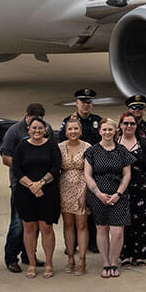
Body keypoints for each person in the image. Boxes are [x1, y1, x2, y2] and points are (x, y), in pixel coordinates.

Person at [10, 117, 61, 277]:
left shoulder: (52, 146)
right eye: (34, 128)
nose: (37, 131)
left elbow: (56, 167)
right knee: (29, 228)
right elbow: (17, 169)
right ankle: (31, 263)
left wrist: (41, 183)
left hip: (48, 192)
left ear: (45, 130)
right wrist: (32, 186)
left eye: (40, 128)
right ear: (29, 130)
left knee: (46, 228)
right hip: (26, 193)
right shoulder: (21, 147)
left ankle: (49, 263)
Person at [0, 103, 46, 273]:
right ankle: (11, 257)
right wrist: (24, 167)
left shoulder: (44, 129)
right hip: (20, 185)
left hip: (40, 185)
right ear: (26, 116)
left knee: (36, 223)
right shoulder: (14, 131)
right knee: (18, 223)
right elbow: (5, 158)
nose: (37, 124)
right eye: (33, 119)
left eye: (40, 120)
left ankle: (28, 255)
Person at [84, 120, 134, 278]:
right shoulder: (92, 151)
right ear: (99, 131)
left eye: (110, 129)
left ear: (115, 131)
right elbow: (87, 175)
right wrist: (98, 193)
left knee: (117, 231)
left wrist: (118, 194)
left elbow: (127, 175)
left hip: (118, 196)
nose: (107, 132)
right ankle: (105, 263)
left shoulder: (122, 151)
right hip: (98, 196)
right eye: (104, 129)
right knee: (102, 229)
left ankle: (114, 262)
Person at [121, 114, 146, 267]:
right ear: (121, 125)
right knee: (124, 223)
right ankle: (126, 255)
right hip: (121, 191)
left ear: (136, 126)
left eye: (132, 123)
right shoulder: (115, 144)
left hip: (141, 190)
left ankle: (139, 255)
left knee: (142, 223)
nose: (129, 126)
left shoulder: (144, 143)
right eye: (126, 123)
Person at [57, 117, 91, 274]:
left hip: (81, 187)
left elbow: (90, 172)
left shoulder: (88, 147)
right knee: (68, 224)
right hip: (64, 188)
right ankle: (70, 257)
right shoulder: (59, 147)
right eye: (70, 129)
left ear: (81, 130)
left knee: (81, 225)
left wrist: (85, 193)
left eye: (76, 129)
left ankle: (82, 260)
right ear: (65, 132)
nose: (73, 132)